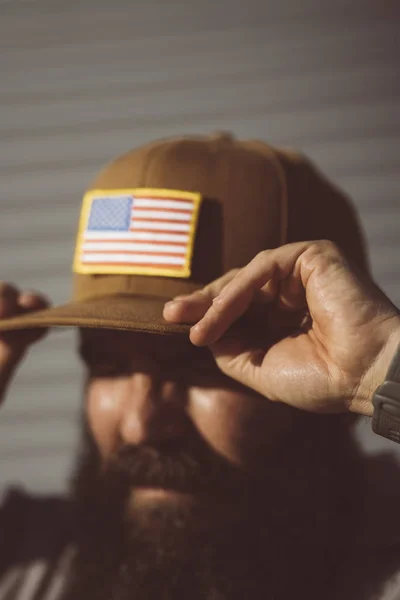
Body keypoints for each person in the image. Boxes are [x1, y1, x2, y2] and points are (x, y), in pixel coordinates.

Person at [0, 133, 399, 600]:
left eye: (200, 367)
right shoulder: (33, 561)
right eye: (108, 366)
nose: (141, 426)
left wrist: (380, 367)